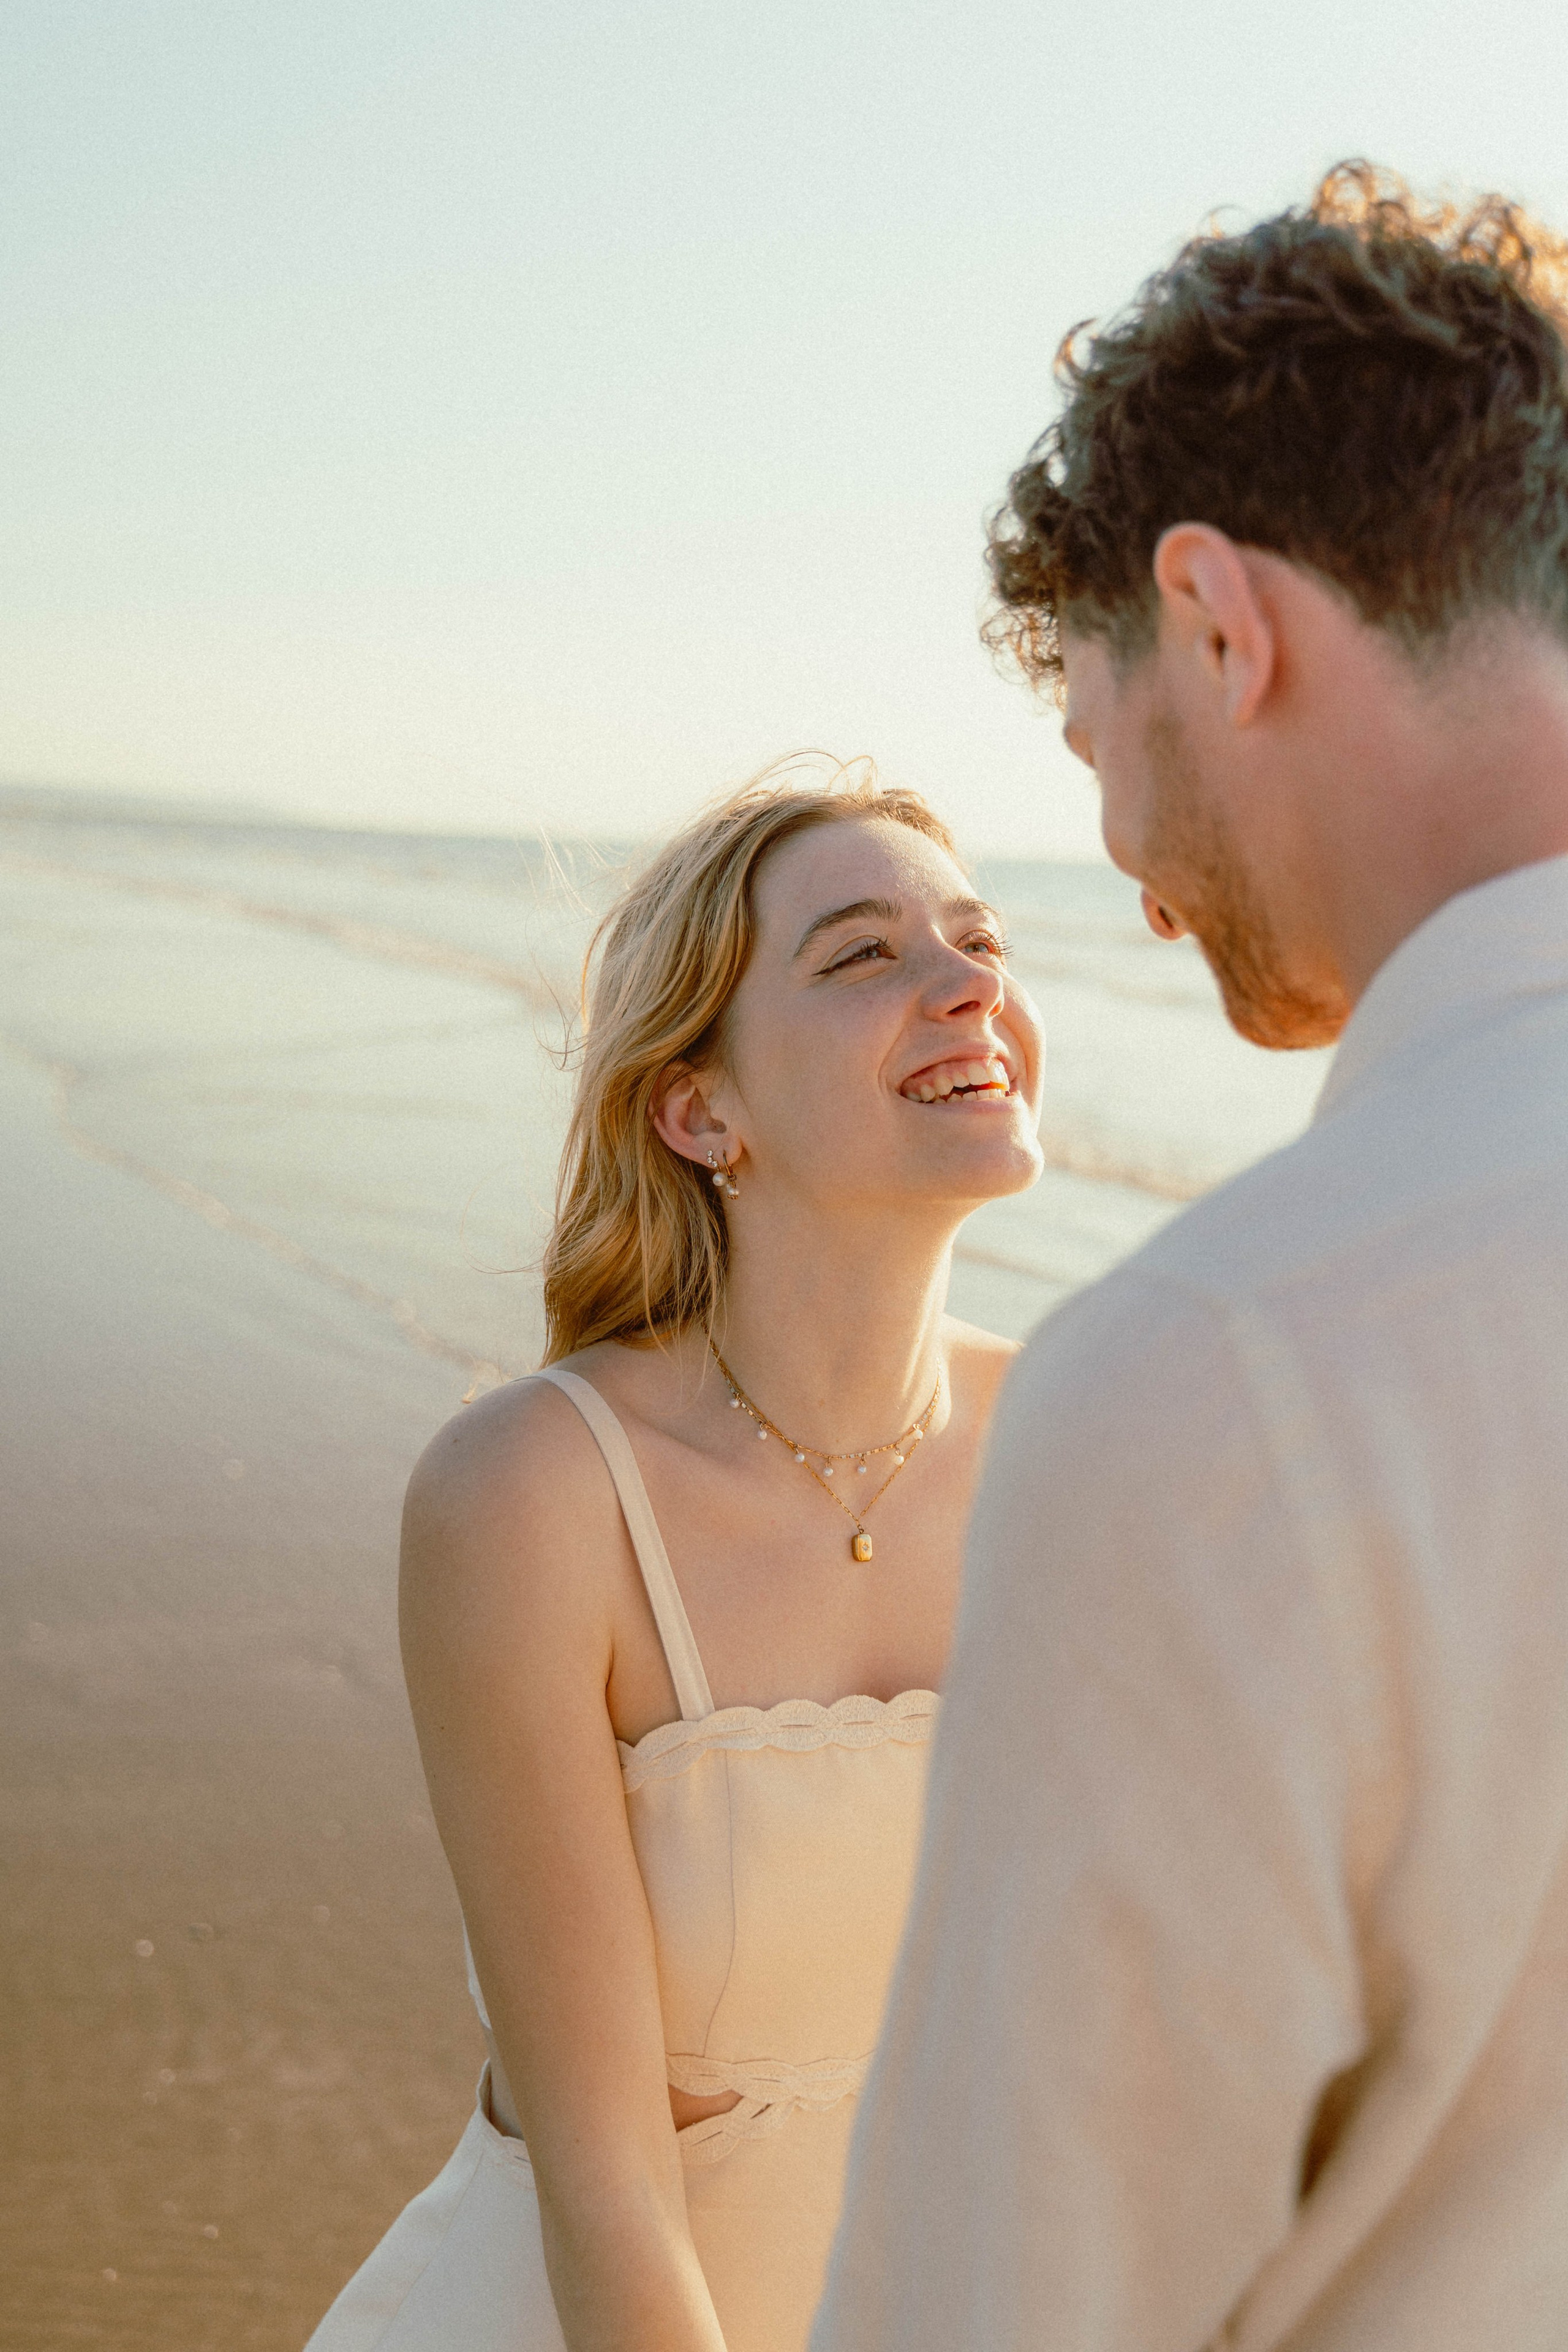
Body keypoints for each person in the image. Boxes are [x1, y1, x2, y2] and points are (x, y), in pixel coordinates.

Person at [812, 163, 1568, 2352]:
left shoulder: (1229, 1373)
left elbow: (1007, 2300)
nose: (1128, 863)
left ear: (1222, 627)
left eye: (1101, 738)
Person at [303, 761, 1046, 2352]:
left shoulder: (1083, 1440)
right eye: (866, 955)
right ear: (699, 1108)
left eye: (978, 941)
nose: (970, 980)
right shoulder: (531, 1495)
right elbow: (608, 2185)